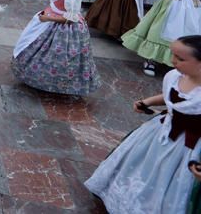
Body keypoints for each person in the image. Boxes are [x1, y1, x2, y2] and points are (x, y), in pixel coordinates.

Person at [84, 36, 201, 213]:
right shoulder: (175, 76)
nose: (172, 60)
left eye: (181, 58)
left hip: (188, 146)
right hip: (160, 132)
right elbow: (170, 95)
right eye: (173, 54)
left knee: (170, 177)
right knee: (145, 166)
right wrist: (148, 102)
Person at [12, 0, 99, 96]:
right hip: (50, 18)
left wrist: (48, 18)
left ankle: (57, 82)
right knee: (33, 44)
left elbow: (71, 19)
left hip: (64, 27)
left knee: (58, 55)